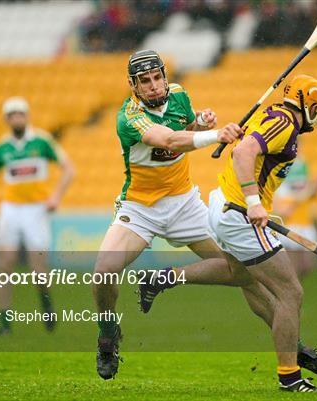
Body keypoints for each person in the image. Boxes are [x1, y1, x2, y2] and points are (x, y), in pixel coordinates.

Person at [140, 75, 317, 392]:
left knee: (241, 275)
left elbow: (242, 149)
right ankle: (290, 375)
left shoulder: (274, 116)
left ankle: (164, 277)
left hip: (225, 204)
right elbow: (243, 152)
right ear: (303, 102)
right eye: (316, 107)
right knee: (291, 292)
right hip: (240, 213)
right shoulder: (284, 122)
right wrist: (254, 202)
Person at [92, 49, 242, 380]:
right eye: (144, 81)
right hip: (140, 207)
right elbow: (169, 139)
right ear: (133, 85)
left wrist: (199, 122)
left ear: (164, 75)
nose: (154, 86)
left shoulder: (179, 95)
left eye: (157, 77)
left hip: (185, 203)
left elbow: (183, 127)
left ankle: (294, 348)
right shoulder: (128, 117)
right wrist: (215, 135)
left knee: (240, 271)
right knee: (103, 271)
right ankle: (107, 335)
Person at [0, 96, 75, 335]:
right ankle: (4, 320)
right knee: (5, 265)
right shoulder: (1, 148)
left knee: (38, 269)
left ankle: (47, 305)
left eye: (20, 114)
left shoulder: (41, 141)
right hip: (10, 209)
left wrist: (56, 197)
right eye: (12, 115)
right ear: (7, 119)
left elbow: (68, 168)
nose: (16, 118)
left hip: (36, 210)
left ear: (26, 116)